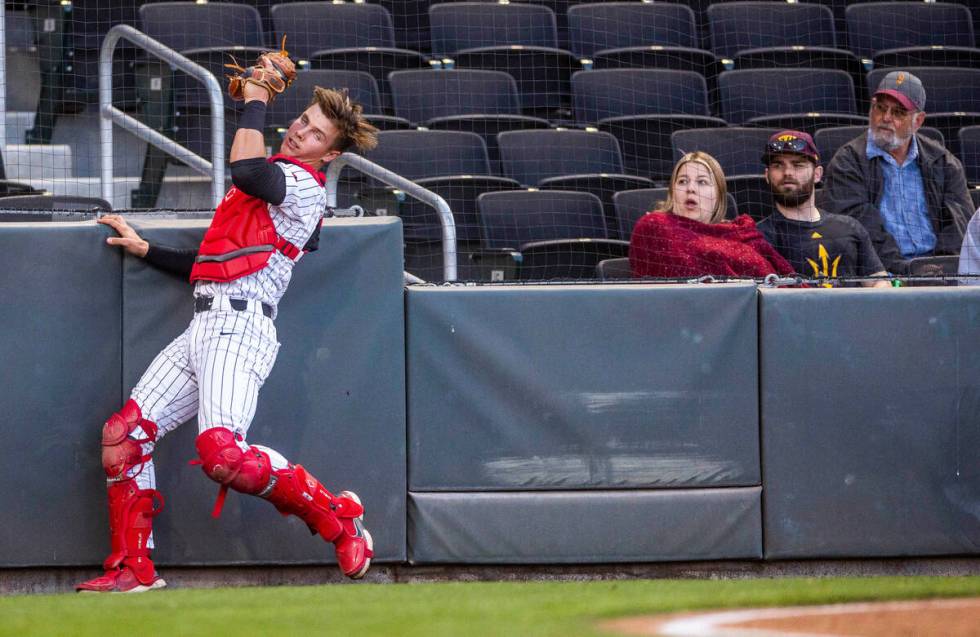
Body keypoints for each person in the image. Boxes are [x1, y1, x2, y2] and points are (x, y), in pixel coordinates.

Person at [75, 79, 379, 593]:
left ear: (328, 154)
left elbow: (246, 168)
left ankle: (338, 518)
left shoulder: (303, 186)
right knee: (124, 440)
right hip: (206, 323)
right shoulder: (265, 188)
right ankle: (133, 568)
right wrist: (146, 249)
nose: (301, 131)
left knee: (223, 455)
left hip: (241, 328)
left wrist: (257, 96)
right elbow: (213, 264)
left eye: (315, 132)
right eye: (302, 120)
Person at [823, 70, 973, 273]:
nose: (885, 118)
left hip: (941, 274)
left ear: (918, 121)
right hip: (879, 274)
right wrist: (906, 271)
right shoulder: (848, 162)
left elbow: (959, 225)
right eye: (880, 108)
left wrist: (938, 270)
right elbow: (859, 229)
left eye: (898, 112)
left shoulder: (943, 162)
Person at [629, 151, 794, 279]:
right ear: (672, 192)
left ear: (718, 195)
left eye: (702, 182)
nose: (690, 188)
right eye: (682, 181)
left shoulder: (741, 236)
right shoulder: (655, 226)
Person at [757, 131, 889, 288]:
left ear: (817, 174)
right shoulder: (757, 237)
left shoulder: (849, 227)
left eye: (798, 165)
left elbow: (879, 283)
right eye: (778, 165)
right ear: (767, 175)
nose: (788, 173)